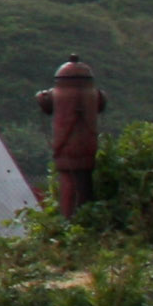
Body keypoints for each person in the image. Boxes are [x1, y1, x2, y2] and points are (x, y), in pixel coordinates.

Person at [38, 57, 105, 216]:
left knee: (68, 185)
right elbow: (101, 103)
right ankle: (84, 219)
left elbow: (45, 105)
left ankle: (68, 221)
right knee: (85, 186)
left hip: (64, 147)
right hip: (88, 147)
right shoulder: (94, 95)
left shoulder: (56, 94)